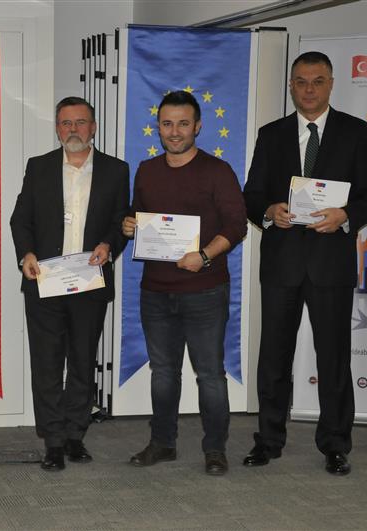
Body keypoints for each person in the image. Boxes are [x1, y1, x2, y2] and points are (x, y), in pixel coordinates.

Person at [242, 51, 367, 476]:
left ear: (331, 84)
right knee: (273, 359)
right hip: (282, 264)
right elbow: (251, 195)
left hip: (331, 264)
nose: (309, 89)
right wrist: (269, 211)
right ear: (291, 85)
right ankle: (268, 441)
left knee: (333, 360)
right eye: (301, 81)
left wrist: (345, 215)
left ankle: (335, 445)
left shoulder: (355, 132)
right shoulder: (271, 134)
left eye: (317, 81)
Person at [121, 91, 247, 476]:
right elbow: (139, 217)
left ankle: (215, 449)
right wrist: (129, 224)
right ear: (158, 127)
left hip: (205, 290)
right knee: (163, 374)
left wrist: (204, 256)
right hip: (156, 291)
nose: (174, 132)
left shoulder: (217, 171)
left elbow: (237, 226)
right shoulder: (146, 170)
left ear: (198, 127)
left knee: (210, 375)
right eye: (167, 124)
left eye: (183, 124)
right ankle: (163, 443)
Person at [10, 97, 129, 471]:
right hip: (45, 281)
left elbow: (121, 221)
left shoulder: (116, 170)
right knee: (46, 364)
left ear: (93, 127)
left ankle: (76, 435)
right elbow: (20, 220)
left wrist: (109, 245)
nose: (73, 129)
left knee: (82, 361)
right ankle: (53, 441)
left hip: (89, 281)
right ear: (57, 129)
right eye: (66, 123)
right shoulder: (39, 166)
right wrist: (26, 254)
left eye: (80, 122)